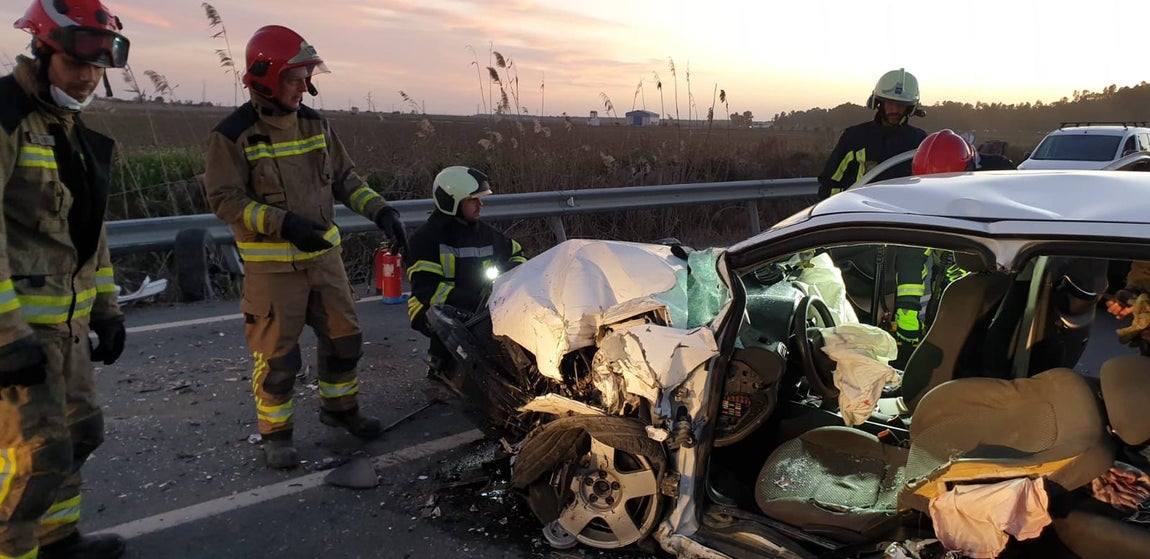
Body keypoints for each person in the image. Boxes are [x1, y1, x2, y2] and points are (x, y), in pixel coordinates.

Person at [203, 25, 408, 470]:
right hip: (273, 270)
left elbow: (347, 180)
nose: (304, 87)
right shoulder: (233, 135)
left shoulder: (316, 124)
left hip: (324, 260)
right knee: (278, 357)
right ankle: (277, 434)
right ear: (265, 77)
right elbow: (224, 200)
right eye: (295, 78)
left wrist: (382, 212)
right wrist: (282, 223)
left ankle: (340, 413)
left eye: (307, 76)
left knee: (344, 341)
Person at [0, 1, 130, 557]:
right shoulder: (5, 119)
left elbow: (88, 229)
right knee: (35, 458)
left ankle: (58, 541)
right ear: (43, 50)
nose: (86, 77)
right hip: (21, 334)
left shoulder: (71, 131)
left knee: (81, 433)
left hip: (68, 327)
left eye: (98, 67)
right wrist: (7, 336)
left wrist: (108, 309)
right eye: (76, 63)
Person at [405, 167, 526, 383]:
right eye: (473, 200)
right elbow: (429, 292)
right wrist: (479, 303)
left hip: (481, 305)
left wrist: (510, 285)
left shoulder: (486, 234)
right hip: (431, 309)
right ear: (451, 201)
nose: (480, 205)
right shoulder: (425, 240)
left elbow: (517, 254)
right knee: (449, 317)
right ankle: (438, 368)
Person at [817, 68, 927, 200]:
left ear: (910, 107)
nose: (895, 110)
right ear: (879, 103)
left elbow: (928, 185)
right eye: (890, 103)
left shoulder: (919, 141)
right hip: (862, 213)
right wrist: (839, 209)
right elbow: (830, 181)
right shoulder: (855, 136)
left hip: (901, 214)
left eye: (901, 105)